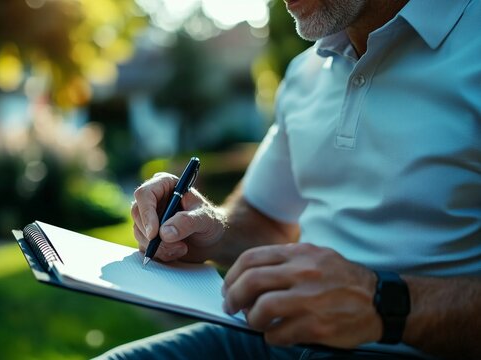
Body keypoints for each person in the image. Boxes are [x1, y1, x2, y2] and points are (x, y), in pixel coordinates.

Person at [98, 0, 481, 359]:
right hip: (272, 338)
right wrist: (208, 227)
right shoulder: (304, 74)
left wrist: (382, 303)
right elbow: (264, 219)